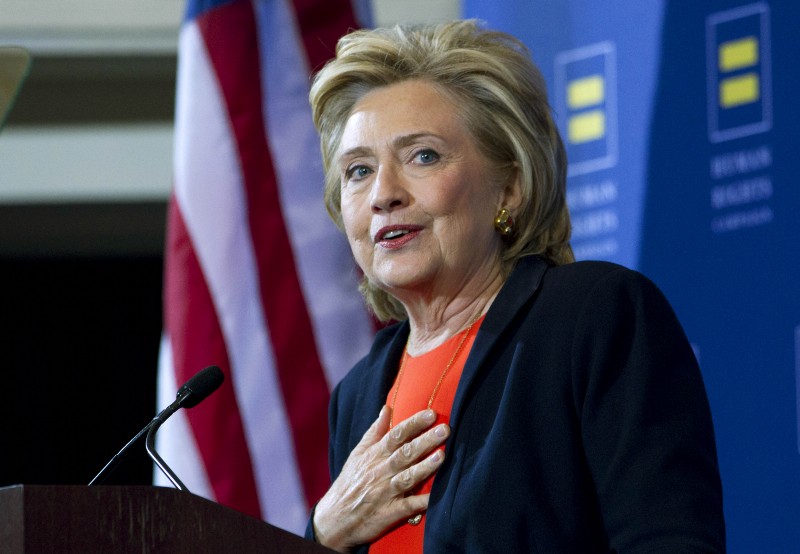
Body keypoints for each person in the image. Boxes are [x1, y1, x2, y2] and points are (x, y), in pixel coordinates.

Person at [304, 20, 725, 553]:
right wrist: (324, 531)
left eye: (422, 156)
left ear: (511, 187)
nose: (383, 193)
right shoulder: (358, 394)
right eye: (358, 171)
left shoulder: (593, 317)